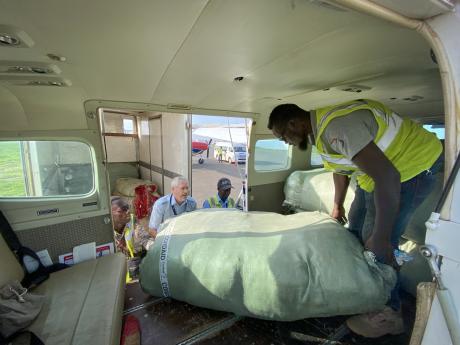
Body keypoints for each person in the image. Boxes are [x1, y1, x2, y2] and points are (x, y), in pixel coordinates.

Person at [268, 99, 443, 338]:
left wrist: (380, 237)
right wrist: (338, 205)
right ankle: (362, 289)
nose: (285, 142)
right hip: (375, 175)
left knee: (377, 238)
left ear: (294, 123)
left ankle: (389, 314)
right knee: (356, 226)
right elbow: (341, 169)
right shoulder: (319, 134)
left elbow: (388, 176)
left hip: (412, 165)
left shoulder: (336, 128)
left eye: (282, 136)